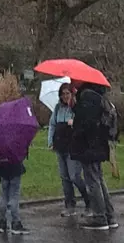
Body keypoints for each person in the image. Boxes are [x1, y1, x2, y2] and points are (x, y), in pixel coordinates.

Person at [70, 86, 118, 231]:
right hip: (100, 146)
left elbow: (84, 125)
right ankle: (109, 215)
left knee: (93, 182)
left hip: (89, 148)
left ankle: (99, 217)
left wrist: (75, 119)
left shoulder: (87, 99)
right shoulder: (100, 99)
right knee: (99, 179)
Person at [48, 83, 89, 216]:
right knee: (64, 177)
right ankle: (70, 204)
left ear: (72, 94)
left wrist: (74, 122)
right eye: (63, 94)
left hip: (73, 147)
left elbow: (82, 124)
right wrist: (50, 142)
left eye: (68, 93)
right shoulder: (58, 108)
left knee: (74, 176)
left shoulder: (76, 108)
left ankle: (89, 200)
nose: (65, 96)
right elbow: (52, 125)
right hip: (60, 146)